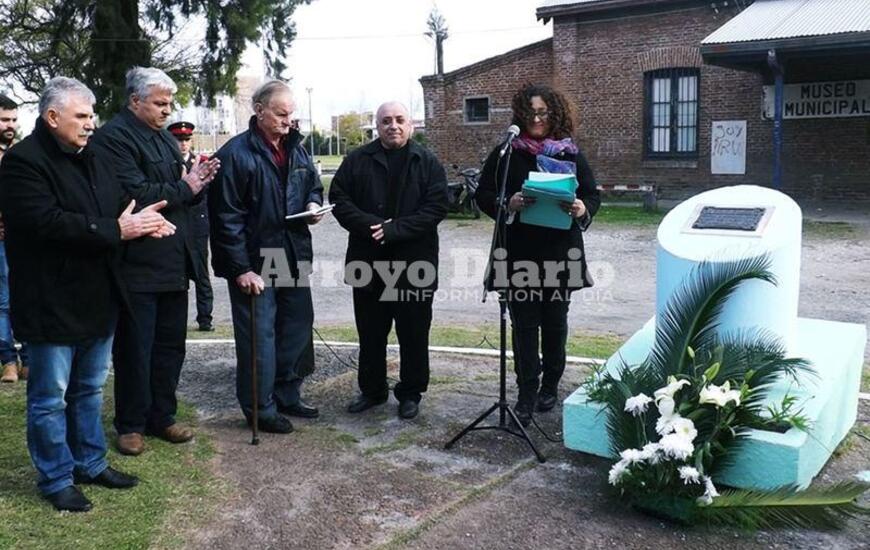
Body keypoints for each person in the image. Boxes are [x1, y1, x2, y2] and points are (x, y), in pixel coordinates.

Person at [0, 77, 174, 511]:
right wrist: (118, 228)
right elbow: (46, 223)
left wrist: (143, 223)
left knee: (90, 389)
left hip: (98, 295)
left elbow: (118, 207)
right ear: (52, 117)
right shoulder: (22, 162)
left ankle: (90, 462)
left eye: (92, 115)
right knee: (49, 398)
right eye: (81, 116)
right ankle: (56, 477)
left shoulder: (95, 156)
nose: (90, 124)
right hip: (50, 300)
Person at [90, 67, 221, 456]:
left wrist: (198, 183)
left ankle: (162, 416)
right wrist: (186, 186)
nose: (167, 110)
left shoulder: (164, 138)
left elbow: (181, 190)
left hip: (174, 260)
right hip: (138, 262)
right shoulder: (113, 138)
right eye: (160, 103)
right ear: (135, 101)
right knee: (136, 347)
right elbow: (135, 193)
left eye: (169, 104)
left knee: (170, 346)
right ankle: (130, 424)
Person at [474, 83, 600, 427]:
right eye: (530, 112)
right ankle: (526, 392)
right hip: (519, 255)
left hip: (560, 255)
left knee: (555, 324)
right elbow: (483, 194)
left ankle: (550, 385)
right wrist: (508, 202)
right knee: (524, 327)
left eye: (543, 112)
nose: (536, 118)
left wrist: (582, 208)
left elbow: (592, 195)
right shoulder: (506, 153)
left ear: (554, 113)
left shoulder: (570, 153)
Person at [209, 80, 323, 434]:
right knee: (259, 337)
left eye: (291, 114)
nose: (288, 121)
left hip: (291, 252)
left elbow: (313, 185)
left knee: (296, 327)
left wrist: (313, 204)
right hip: (255, 259)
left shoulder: (297, 149)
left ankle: (288, 393)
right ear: (259, 111)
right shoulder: (234, 154)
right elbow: (225, 218)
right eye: (281, 114)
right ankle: (260, 408)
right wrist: (240, 269)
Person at [329, 101, 448, 420]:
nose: (392, 125)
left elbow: (437, 207)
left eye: (399, 120)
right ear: (377, 126)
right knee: (370, 334)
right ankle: (372, 390)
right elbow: (339, 199)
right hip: (368, 262)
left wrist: (395, 229)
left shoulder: (428, 162)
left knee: (414, 334)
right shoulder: (357, 160)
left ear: (410, 125)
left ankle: (411, 393)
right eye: (386, 121)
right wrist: (372, 226)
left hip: (414, 265)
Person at [168, 121, 215, 332]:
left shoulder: (202, 163)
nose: (183, 144)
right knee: (177, 273)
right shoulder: (168, 164)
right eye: (179, 140)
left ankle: (205, 318)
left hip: (197, 223)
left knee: (201, 272)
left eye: (187, 139)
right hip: (174, 224)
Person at [0, 93, 29, 383]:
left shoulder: (21, 152)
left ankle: (29, 361)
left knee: (27, 296)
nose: (10, 125)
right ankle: (8, 360)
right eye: (4, 120)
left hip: (24, 237)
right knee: (3, 301)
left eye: (13, 120)